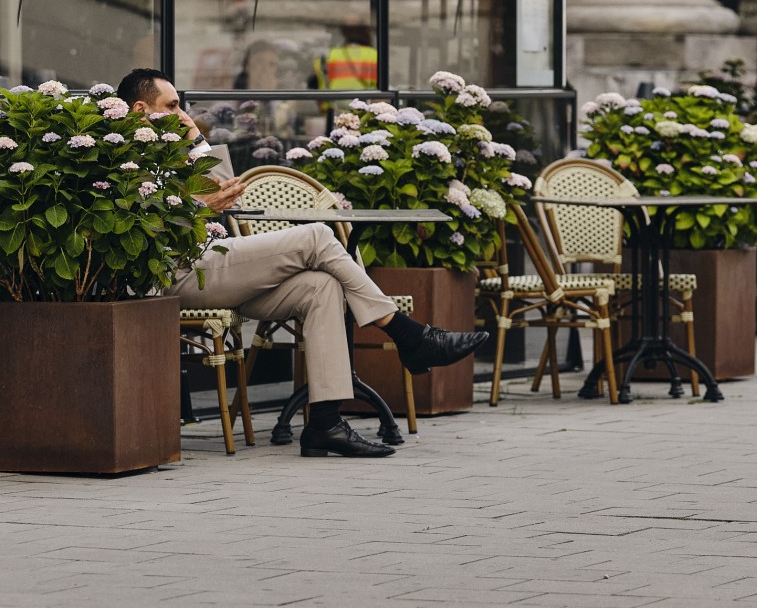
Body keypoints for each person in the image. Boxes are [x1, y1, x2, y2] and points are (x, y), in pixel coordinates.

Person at [118, 69, 489, 458]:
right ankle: (408, 335)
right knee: (316, 236)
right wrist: (198, 206)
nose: (182, 113)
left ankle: (325, 424)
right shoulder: (122, 158)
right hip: (178, 273)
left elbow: (227, 193)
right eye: (172, 106)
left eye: (182, 107)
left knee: (321, 286)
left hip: (215, 267)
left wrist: (195, 138)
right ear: (140, 109)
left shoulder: (172, 147)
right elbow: (149, 229)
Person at [319, 22, 379, 90]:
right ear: (366, 34)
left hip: (336, 99)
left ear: (344, 35)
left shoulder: (330, 54)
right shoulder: (376, 55)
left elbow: (321, 83)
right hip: (365, 99)